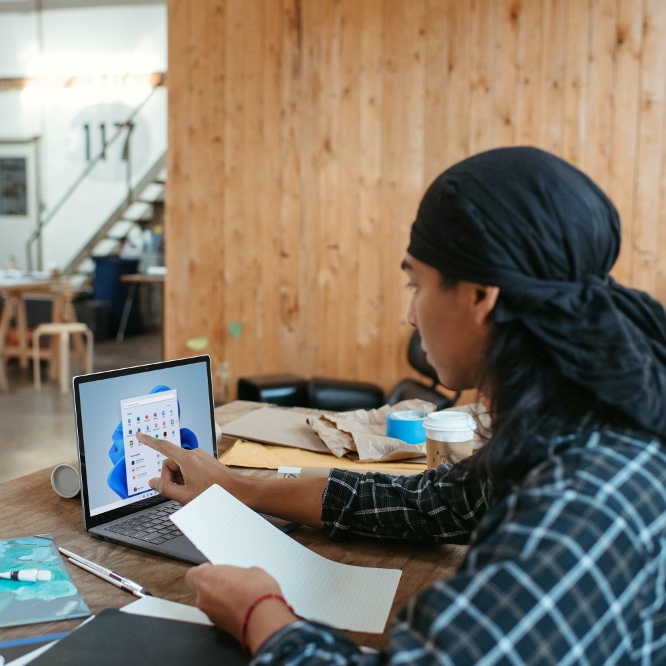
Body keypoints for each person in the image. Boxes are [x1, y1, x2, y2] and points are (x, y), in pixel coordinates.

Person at [137, 146, 666, 664]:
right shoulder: (566, 423)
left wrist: (259, 614)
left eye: (417, 284)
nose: (411, 315)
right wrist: (236, 487)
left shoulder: (584, 502)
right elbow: (433, 503)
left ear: (483, 296)